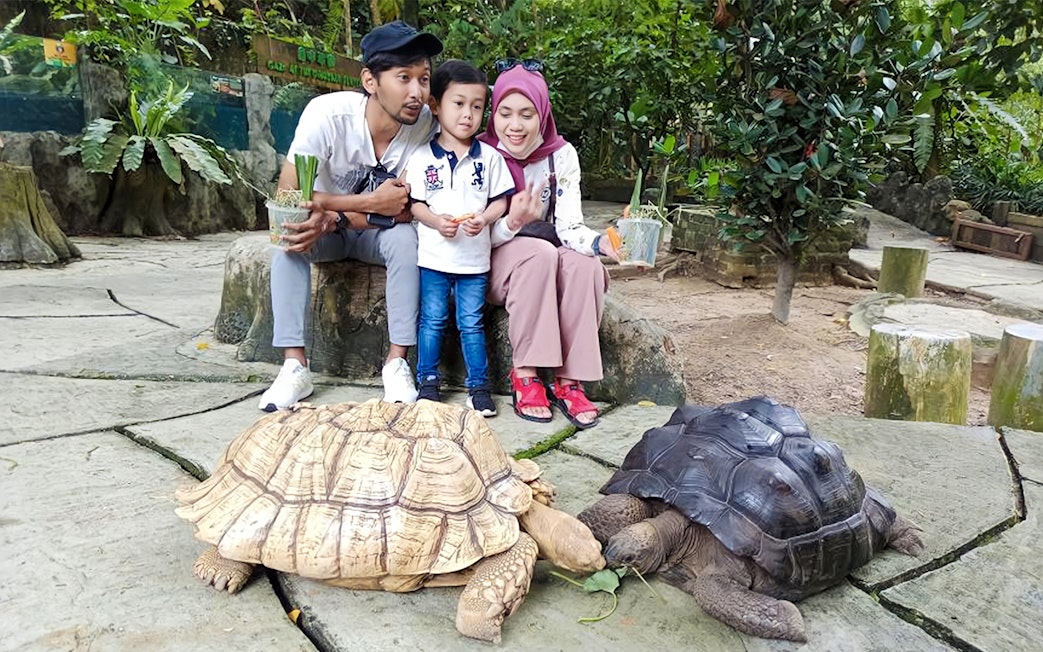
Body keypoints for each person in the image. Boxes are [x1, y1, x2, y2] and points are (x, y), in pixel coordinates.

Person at [257, 21, 443, 412]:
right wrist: (365, 204)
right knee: (288, 238)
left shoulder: (425, 127)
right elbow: (289, 194)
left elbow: (404, 210)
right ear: (370, 81)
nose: (417, 92)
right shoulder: (327, 115)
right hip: (325, 231)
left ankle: (396, 363)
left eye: (424, 79)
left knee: (405, 240)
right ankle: (294, 366)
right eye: (403, 77)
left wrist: (336, 213)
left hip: (374, 232)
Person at [476, 60, 622, 429]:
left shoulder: (561, 155)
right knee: (539, 254)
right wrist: (512, 223)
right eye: (505, 113)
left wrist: (599, 243)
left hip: (546, 253)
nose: (515, 125)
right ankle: (524, 373)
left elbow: (569, 226)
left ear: (542, 114)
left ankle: (569, 381)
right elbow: (472, 233)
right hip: (492, 259)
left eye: (526, 114)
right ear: (493, 114)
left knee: (586, 266)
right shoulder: (480, 155)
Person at [405, 60, 517, 417]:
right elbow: (415, 205)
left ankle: (479, 388)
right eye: (458, 103)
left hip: (474, 262)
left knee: (472, 323)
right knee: (432, 321)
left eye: (477, 106)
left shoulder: (491, 158)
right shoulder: (422, 157)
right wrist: (437, 221)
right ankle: (427, 382)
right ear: (435, 106)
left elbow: (501, 200)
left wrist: (484, 218)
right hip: (434, 260)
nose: (468, 114)